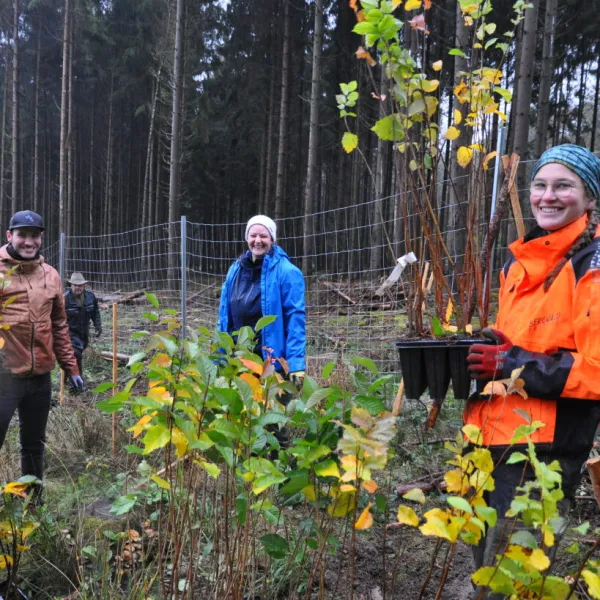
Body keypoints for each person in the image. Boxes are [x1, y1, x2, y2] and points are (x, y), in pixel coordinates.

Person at [465, 144, 600, 595]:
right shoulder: (519, 262)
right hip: (489, 437)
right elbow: (525, 345)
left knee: (513, 582)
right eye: (540, 185)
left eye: (564, 186)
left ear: (589, 197)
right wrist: (496, 348)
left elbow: (596, 372)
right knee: (485, 570)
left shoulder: (592, 267)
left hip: (542, 451)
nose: (548, 196)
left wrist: (511, 363)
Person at [0, 210, 83, 495]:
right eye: (22, 235)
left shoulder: (51, 275)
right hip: (4, 377)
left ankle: (33, 506)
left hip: (39, 378)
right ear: (9, 236)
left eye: (33, 236)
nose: (28, 241)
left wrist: (71, 368)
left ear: (41, 238)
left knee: (34, 445)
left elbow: (59, 324)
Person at [217, 214, 306, 390]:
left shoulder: (287, 272)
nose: (258, 240)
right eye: (253, 235)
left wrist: (296, 366)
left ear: (272, 239)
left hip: (272, 364)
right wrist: (220, 357)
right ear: (247, 238)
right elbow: (224, 316)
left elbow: (295, 320)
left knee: (271, 414)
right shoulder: (235, 269)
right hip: (238, 360)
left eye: (263, 236)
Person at [64, 272, 102, 382]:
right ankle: (78, 382)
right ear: (71, 286)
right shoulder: (65, 299)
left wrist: (98, 325)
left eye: (79, 285)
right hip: (70, 332)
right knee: (76, 354)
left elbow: (95, 312)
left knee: (76, 354)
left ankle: (67, 378)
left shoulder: (90, 297)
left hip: (84, 332)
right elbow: (58, 318)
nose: (77, 287)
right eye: (75, 285)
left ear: (84, 285)